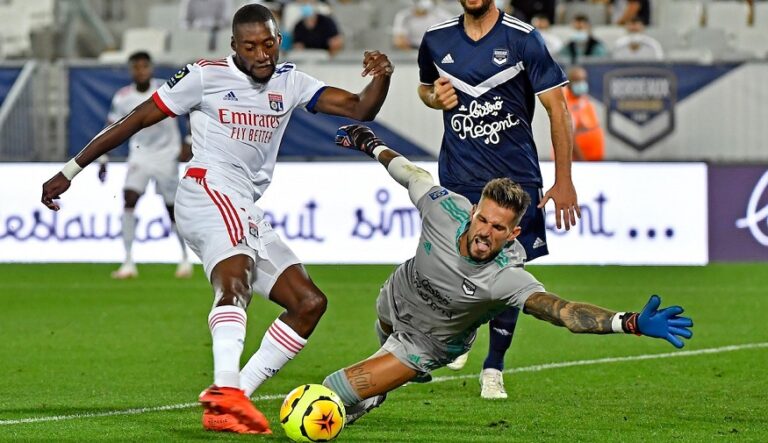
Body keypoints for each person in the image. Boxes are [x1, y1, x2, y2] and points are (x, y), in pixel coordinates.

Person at [41, 3, 393, 435]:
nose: (262, 55)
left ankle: (232, 400)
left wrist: (383, 76)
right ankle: (226, 389)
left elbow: (360, 108)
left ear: (278, 41)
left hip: (243, 203)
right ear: (234, 46)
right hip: (207, 189)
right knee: (235, 278)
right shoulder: (204, 76)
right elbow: (136, 119)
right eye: (251, 47)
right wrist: (70, 170)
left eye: (269, 44)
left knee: (308, 304)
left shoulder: (291, 81)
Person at [325, 123, 693, 424]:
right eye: (483, 220)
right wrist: (371, 144)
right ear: (473, 211)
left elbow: (563, 312)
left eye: (498, 228)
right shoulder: (444, 209)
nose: (486, 232)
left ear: (513, 233)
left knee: (333, 390)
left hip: (429, 342)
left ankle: (378, 389)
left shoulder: (506, 276)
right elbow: (411, 174)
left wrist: (628, 322)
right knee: (383, 328)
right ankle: (383, 380)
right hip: (396, 295)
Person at [416, 0, 580, 399]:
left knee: (508, 272)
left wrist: (564, 180)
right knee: (454, 266)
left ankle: (494, 367)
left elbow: (558, 108)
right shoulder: (436, 39)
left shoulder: (524, 39)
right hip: (459, 175)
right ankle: (458, 335)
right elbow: (424, 87)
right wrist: (433, 97)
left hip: (515, 179)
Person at [99, 51, 192, 280]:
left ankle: (185, 257)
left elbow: (191, 112)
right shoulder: (123, 97)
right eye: (136, 67)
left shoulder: (166, 88)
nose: (141, 71)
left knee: (172, 209)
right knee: (129, 199)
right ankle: (128, 261)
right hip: (140, 154)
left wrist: (189, 141)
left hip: (167, 155)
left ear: (151, 68)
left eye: (144, 66)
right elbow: (111, 128)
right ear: (131, 70)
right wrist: (103, 159)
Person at [564, 66, 604, 161]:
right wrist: (582, 161)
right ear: (569, 83)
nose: (582, 84)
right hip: (579, 161)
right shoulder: (565, 103)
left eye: (583, 79)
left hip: (595, 157)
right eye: (577, 80)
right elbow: (568, 137)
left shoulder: (583, 98)